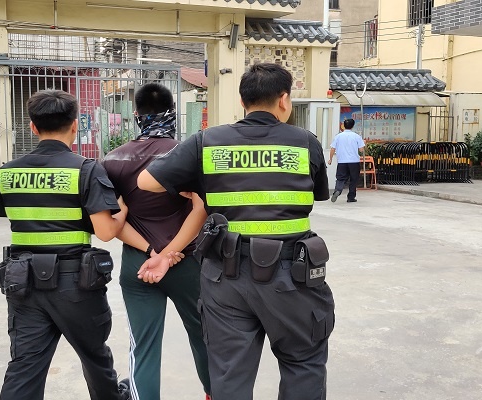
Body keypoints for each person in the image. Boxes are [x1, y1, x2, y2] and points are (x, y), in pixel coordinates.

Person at [137, 63, 335, 400]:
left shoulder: (207, 142)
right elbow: (317, 193)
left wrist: (196, 185)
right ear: (283, 100)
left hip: (226, 277)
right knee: (303, 362)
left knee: (230, 373)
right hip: (293, 276)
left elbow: (146, 181)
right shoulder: (305, 143)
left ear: (243, 102)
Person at [0, 89, 130, 400]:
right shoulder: (85, 169)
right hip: (75, 284)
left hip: (23, 282)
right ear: (74, 125)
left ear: (33, 126)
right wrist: (123, 208)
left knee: (25, 364)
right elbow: (105, 232)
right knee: (94, 356)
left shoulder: (9, 172)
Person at [102, 83, 211, 400]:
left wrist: (151, 251)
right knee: (205, 336)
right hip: (186, 260)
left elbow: (114, 222)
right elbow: (201, 210)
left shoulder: (113, 160)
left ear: (136, 115)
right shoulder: (187, 155)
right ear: (173, 113)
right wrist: (168, 253)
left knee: (144, 345)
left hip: (139, 264)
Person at [327, 118, 365, 203]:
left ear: (344, 126)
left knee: (340, 178)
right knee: (353, 179)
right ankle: (351, 197)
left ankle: (338, 190)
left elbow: (332, 149)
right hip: (354, 161)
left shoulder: (338, 136)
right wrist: (364, 144)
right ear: (353, 126)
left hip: (342, 161)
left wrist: (330, 159)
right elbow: (361, 150)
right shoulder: (356, 136)